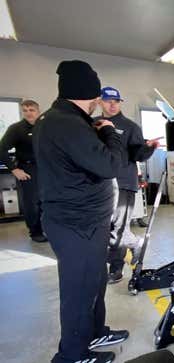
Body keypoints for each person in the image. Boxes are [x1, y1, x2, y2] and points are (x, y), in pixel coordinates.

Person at [33, 60, 129, 363]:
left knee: (94, 283)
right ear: (86, 93)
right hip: (76, 224)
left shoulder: (63, 119)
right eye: (96, 97)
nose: (99, 103)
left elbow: (82, 161)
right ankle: (71, 355)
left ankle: (94, 331)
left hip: (86, 222)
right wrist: (111, 133)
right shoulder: (66, 123)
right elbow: (110, 165)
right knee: (79, 290)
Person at [97, 86, 158, 284]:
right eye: (108, 101)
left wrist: (148, 149)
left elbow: (137, 155)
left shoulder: (130, 127)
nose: (112, 105)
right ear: (100, 102)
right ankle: (136, 242)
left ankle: (116, 269)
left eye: (116, 101)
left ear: (120, 103)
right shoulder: (92, 124)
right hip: (98, 184)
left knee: (117, 230)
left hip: (123, 182)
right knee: (104, 228)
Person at [0, 99, 47, 242]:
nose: (28, 113)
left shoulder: (45, 126)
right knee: (32, 203)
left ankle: (49, 229)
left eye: (31, 110)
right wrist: (14, 169)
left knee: (48, 201)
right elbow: (2, 149)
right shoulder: (16, 128)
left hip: (46, 169)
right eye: (25, 111)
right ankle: (35, 232)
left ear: (38, 111)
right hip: (27, 169)